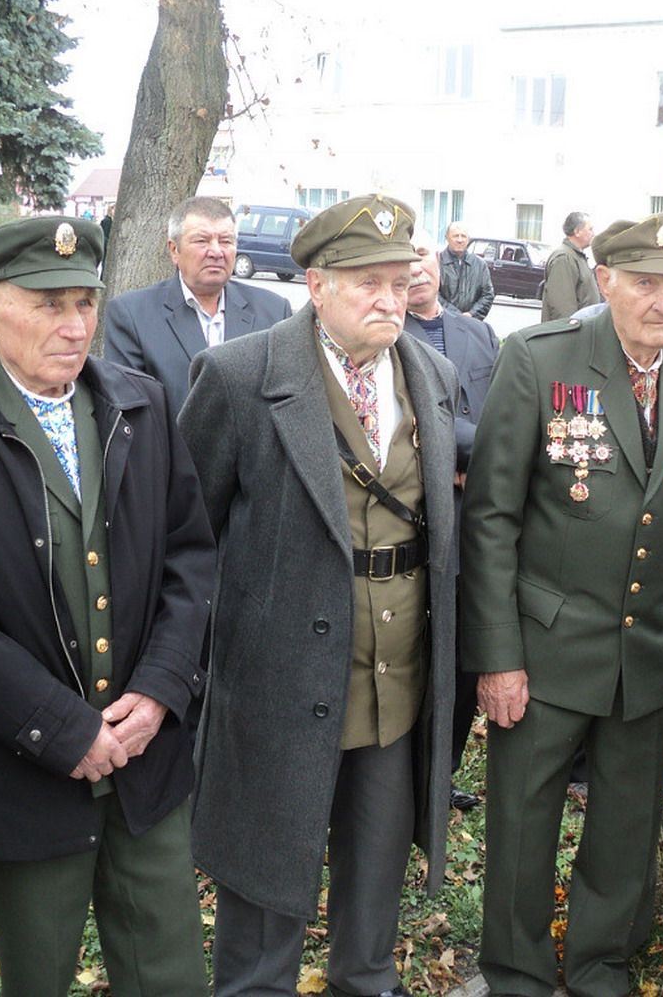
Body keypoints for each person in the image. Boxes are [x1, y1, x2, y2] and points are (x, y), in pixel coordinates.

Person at [0, 216, 215, 997]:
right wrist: (60, 728)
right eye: (48, 304)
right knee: (37, 974)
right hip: (18, 772)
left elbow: (190, 556)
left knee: (167, 972)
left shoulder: (141, 405)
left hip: (145, 762)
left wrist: (162, 688)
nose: (74, 326)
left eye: (84, 303)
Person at [180, 194, 458, 997]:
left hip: (394, 680)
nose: (388, 299)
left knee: (376, 862)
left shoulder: (431, 377)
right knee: (266, 867)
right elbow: (187, 539)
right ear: (316, 283)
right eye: (367, 282)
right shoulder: (239, 376)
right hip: (275, 680)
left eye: (399, 282)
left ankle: (364, 981)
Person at [459, 212, 663, 997]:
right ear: (604, 279)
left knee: (625, 826)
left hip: (647, 651)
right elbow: (491, 519)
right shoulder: (538, 358)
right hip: (545, 649)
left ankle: (598, 965)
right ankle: (515, 972)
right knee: (522, 825)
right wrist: (498, 657)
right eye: (645, 283)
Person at [403, 232, 500, 812]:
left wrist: (481, 461)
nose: (416, 268)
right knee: (414, 658)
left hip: (475, 527)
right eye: (405, 259)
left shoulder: (477, 332)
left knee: (464, 660)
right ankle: (403, 777)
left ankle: (443, 773)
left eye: (423, 255)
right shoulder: (385, 336)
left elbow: (508, 412)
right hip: (412, 523)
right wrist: (469, 454)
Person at [103, 196, 292, 413]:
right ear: (174, 250)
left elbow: (285, 402)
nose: (216, 252)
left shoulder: (274, 312)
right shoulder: (132, 315)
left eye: (226, 241)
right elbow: (131, 411)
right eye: (202, 241)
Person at [540, 210, 599, 323]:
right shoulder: (564, 258)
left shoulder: (576, 256)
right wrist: (571, 330)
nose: (593, 233)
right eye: (590, 229)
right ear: (577, 232)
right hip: (571, 330)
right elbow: (562, 306)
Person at [437, 221, 495, 320]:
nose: (460, 240)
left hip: (472, 322)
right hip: (443, 321)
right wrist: (456, 315)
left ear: (468, 239)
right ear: (447, 237)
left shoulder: (479, 264)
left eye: (463, 236)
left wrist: (471, 314)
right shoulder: (437, 262)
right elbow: (433, 294)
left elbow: (487, 294)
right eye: (456, 236)